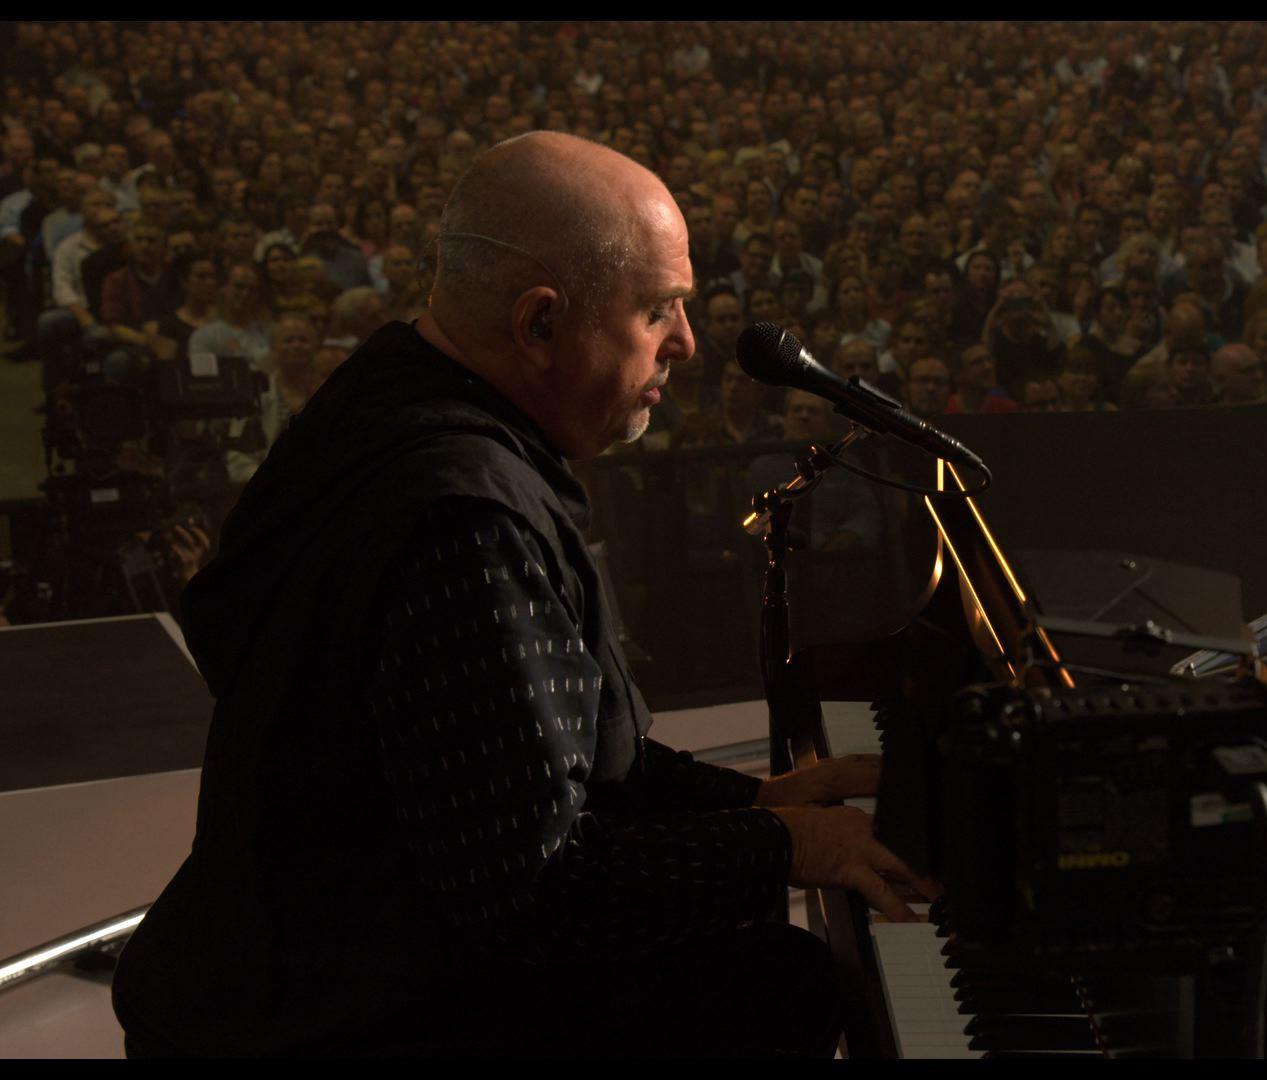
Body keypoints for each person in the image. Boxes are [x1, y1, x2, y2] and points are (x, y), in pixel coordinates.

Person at [113, 132, 929, 1058]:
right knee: (779, 984)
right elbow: (541, 888)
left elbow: (530, 753)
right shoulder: (464, 523)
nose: (687, 345)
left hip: (276, 973)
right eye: (660, 310)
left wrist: (754, 801)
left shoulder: (379, 400)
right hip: (345, 1020)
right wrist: (798, 848)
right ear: (540, 325)